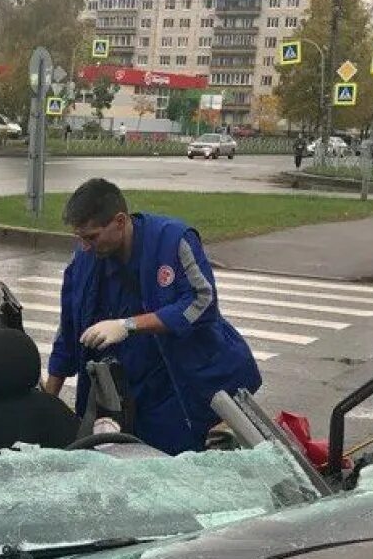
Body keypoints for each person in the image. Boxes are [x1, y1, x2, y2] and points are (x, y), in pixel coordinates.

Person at [42, 178, 261, 455]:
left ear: (120, 222)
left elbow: (201, 301)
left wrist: (130, 325)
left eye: (92, 236)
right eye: (80, 237)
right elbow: (70, 326)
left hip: (172, 388)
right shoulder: (85, 259)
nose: (84, 246)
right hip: (117, 394)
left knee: (172, 468)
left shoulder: (172, 240)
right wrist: (48, 398)